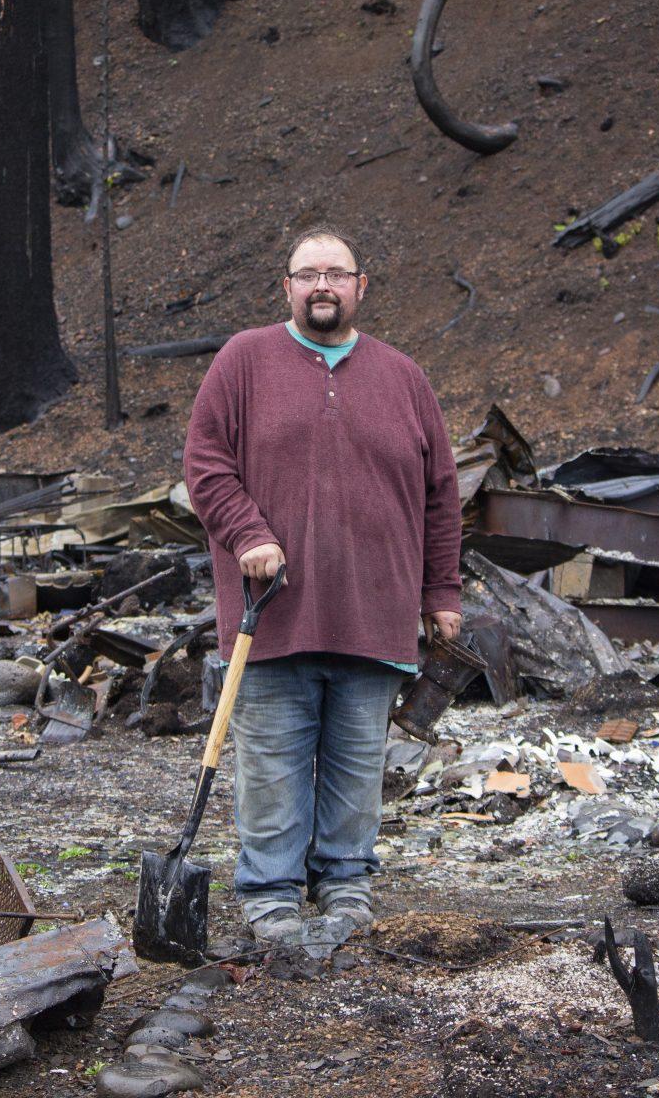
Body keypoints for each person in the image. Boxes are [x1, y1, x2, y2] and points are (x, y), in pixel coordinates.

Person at [184, 226, 462, 942]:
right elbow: (206, 466)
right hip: (272, 617)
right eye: (308, 275)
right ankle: (273, 895)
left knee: (357, 766)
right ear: (287, 288)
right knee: (272, 767)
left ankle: (345, 885)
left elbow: (440, 497)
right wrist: (249, 534)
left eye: (337, 274)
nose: (323, 287)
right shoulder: (243, 361)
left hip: (376, 614)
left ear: (361, 286)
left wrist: (441, 594)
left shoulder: (404, 378)